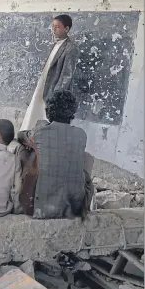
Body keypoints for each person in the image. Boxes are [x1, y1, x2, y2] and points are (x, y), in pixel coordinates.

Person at [17, 90, 93, 219]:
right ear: (72, 114)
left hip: (43, 208)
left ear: (47, 112)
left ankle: (19, 199)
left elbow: (21, 136)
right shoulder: (81, 135)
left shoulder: (39, 131)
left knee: (23, 150)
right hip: (75, 208)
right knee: (87, 158)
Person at [20, 15, 79, 131]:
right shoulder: (55, 44)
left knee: (45, 115)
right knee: (34, 112)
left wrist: (56, 95)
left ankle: (38, 139)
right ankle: (28, 136)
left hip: (53, 89)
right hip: (44, 84)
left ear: (66, 29)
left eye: (57, 27)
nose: (53, 30)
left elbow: (67, 75)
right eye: (53, 26)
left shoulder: (71, 47)